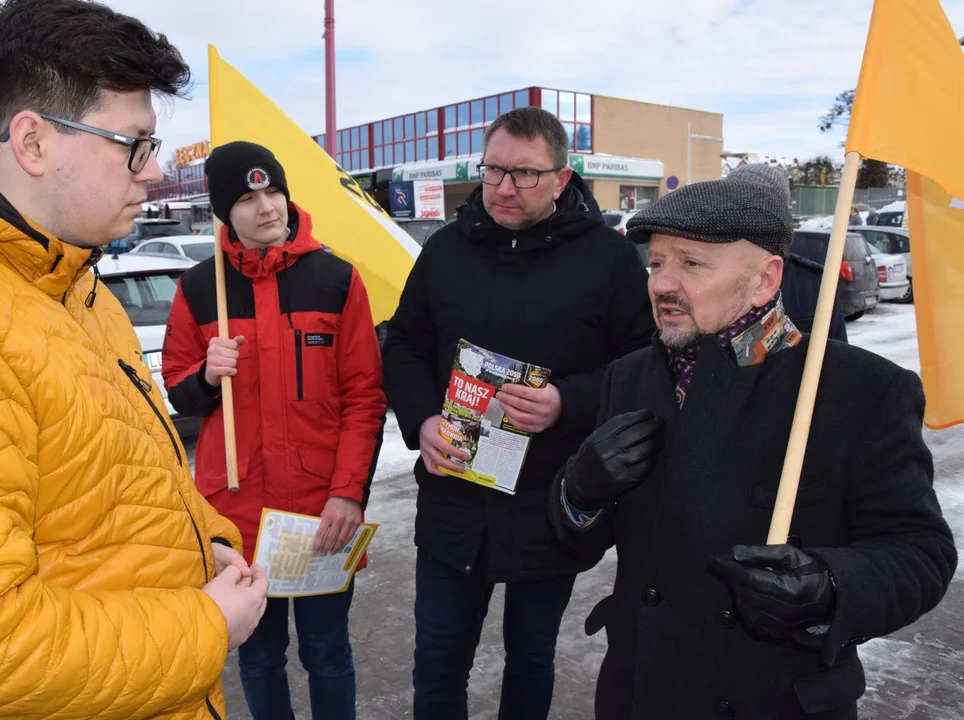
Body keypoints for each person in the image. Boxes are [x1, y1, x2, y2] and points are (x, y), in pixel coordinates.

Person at [0, 2, 270, 718]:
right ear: (32, 141)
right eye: (134, 144)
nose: (154, 172)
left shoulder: (72, 283)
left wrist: (202, 546)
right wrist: (204, 625)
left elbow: (115, 479)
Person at [550, 167, 956, 719]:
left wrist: (830, 587)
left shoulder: (862, 389)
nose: (662, 284)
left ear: (766, 280)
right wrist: (580, 493)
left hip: (773, 699)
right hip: (642, 692)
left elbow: (920, 554)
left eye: (691, 263)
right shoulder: (628, 378)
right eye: (657, 264)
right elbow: (573, 544)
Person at [382, 106, 656, 719]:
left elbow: (645, 361)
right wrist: (422, 420)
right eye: (494, 170)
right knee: (439, 657)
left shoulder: (607, 260)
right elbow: (405, 344)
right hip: (455, 493)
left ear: (562, 179)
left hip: (550, 498)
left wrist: (569, 401)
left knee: (531, 659)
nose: (504, 187)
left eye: (525, 175)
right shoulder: (447, 249)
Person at [161, 141, 387, 720]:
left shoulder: (337, 279)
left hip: (319, 516)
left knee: (328, 654)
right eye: (246, 197)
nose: (267, 208)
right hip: (237, 517)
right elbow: (176, 389)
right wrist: (207, 378)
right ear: (221, 211)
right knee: (258, 659)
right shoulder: (196, 288)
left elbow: (364, 398)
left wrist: (348, 494)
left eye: (273, 191)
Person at [726, 164, 848, 342]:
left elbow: (838, 358)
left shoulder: (814, 283)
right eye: (732, 207)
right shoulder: (703, 274)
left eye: (755, 208)